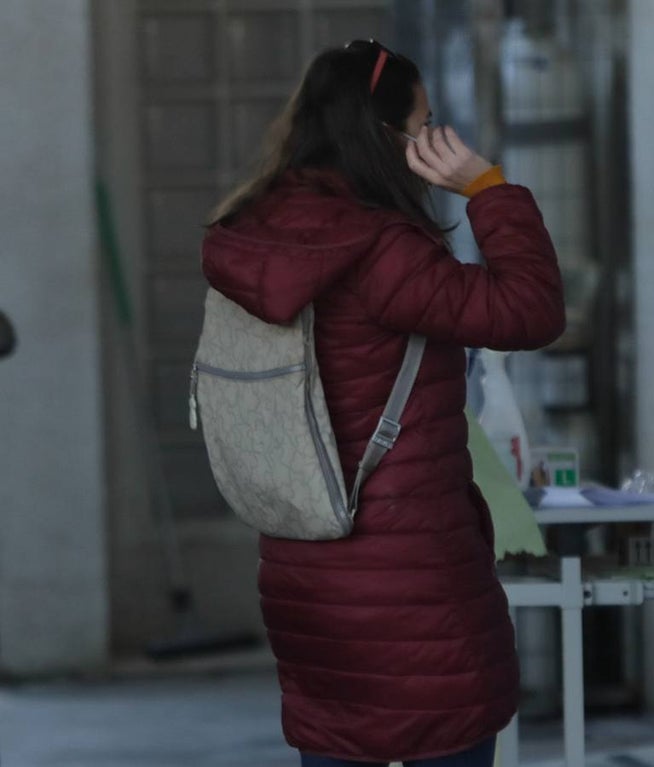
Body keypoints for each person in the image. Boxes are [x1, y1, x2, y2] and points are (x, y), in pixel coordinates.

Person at [200, 40, 565, 766]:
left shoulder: (250, 230)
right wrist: (487, 187)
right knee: (446, 733)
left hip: (306, 576)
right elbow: (529, 310)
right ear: (383, 134)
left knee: (337, 743)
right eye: (424, 125)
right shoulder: (379, 250)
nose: (432, 140)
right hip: (413, 588)